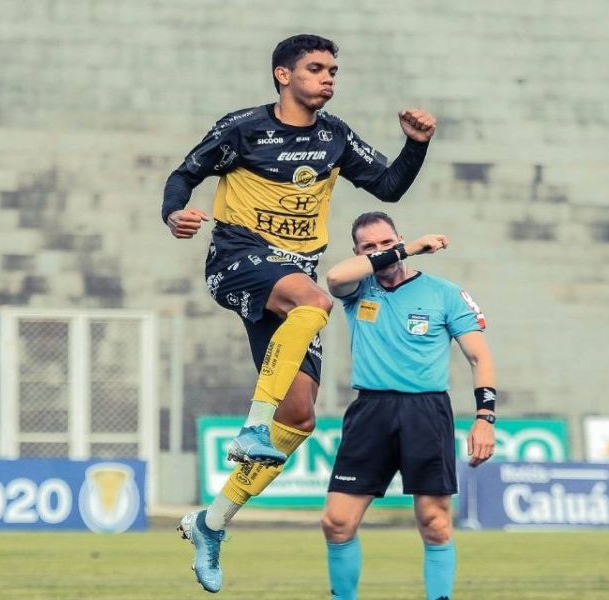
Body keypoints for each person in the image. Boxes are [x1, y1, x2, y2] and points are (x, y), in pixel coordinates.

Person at [162, 33, 437, 593]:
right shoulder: (241, 128)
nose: (329, 77)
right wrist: (175, 214)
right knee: (314, 301)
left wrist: (415, 145)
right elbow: (183, 173)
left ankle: (210, 524)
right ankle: (252, 428)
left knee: (302, 417)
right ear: (283, 75)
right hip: (237, 260)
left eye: (333, 69)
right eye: (316, 68)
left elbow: (387, 187)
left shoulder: (335, 137)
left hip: (291, 281)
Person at [320, 212, 497, 600]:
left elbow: (479, 358)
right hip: (370, 411)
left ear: (396, 238)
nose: (382, 252)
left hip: (426, 411)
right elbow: (333, 279)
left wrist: (485, 417)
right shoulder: (358, 288)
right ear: (358, 253)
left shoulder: (445, 293)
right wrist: (411, 246)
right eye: (370, 247)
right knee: (336, 522)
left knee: (434, 523)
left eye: (387, 243)